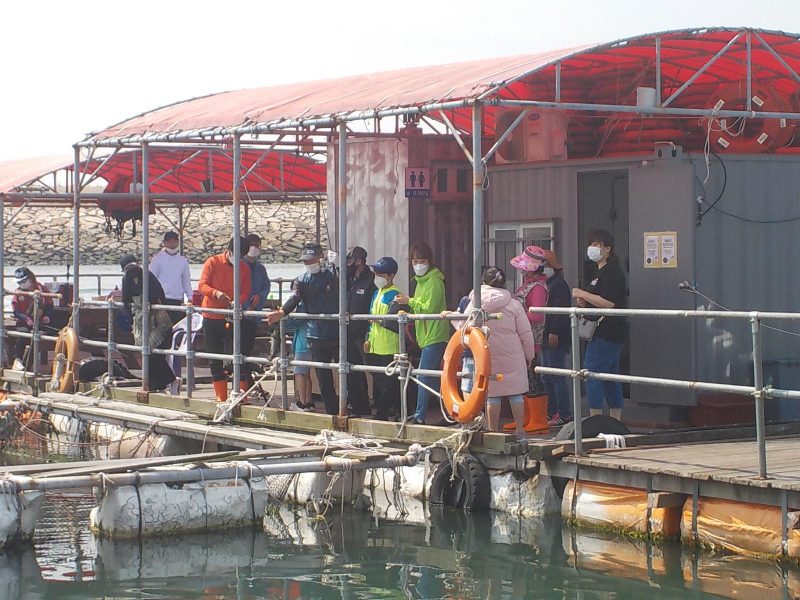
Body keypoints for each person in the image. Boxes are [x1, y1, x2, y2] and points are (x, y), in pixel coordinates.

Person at [447, 267, 534, 438]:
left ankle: (493, 432)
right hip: (513, 353)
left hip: (487, 354)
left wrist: (452, 317)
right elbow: (526, 333)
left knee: (492, 395)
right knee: (515, 393)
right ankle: (520, 430)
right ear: (504, 283)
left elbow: (463, 327)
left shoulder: (475, 303)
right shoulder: (514, 304)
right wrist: (529, 355)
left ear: (483, 282)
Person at [266, 242, 339, 415]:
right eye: (305, 260)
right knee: (323, 378)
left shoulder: (332, 276)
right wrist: (282, 312)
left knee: (347, 371)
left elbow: (345, 284)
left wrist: (338, 266)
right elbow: (294, 298)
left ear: (320, 257)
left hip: (336, 331)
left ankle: (354, 407)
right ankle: (332, 412)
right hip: (315, 333)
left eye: (311, 259)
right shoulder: (301, 280)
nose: (308, 263)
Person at [572, 229, 628, 421]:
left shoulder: (612, 271)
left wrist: (583, 293)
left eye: (596, 245)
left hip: (607, 331)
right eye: (591, 244)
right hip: (603, 331)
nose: (592, 248)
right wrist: (584, 301)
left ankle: (596, 419)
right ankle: (614, 420)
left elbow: (609, 303)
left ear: (607, 249)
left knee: (591, 373)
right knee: (610, 376)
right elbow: (598, 300)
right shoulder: (600, 272)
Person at [395, 242, 449, 424]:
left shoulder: (434, 281)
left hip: (435, 334)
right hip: (426, 335)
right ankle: (450, 412)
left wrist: (409, 301)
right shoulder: (420, 282)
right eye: (415, 261)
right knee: (432, 377)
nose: (418, 265)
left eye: (422, 261)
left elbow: (430, 308)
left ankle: (420, 417)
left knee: (423, 375)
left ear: (430, 261)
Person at [198, 237, 251, 402]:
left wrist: (239, 301)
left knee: (237, 355)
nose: (238, 258)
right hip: (212, 316)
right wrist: (215, 293)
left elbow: (246, 290)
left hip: (232, 316)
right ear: (229, 250)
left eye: (241, 256)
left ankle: (241, 396)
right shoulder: (213, 262)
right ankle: (221, 396)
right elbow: (202, 285)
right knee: (215, 357)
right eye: (237, 254)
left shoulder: (244, 267)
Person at [120, 254, 180, 393]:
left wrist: (151, 303)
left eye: (133, 266)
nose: (132, 270)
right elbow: (126, 301)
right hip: (141, 319)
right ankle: (160, 386)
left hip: (156, 319)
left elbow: (159, 295)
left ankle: (168, 382)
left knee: (154, 354)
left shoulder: (147, 276)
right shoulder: (126, 280)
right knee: (145, 353)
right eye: (128, 269)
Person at [364, 256, 402, 421]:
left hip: (389, 346)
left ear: (391, 275)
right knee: (380, 381)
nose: (377, 276)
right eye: (376, 273)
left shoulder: (395, 294)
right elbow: (371, 317)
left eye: (381, 273)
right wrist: (368, 338)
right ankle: (387, 410)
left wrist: (377, 321)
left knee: (388, 382)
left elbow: (390, 320)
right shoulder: (377, 292)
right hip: (375, 344)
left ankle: (383, 413)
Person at [510, 245, 549, 395]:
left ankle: (534, 410)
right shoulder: (529, 284)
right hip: (522, 338)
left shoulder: (538, 288)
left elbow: (538, 315)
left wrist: (517, 315)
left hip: (530, 341)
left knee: (531, 383)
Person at [541, 250, 573, 427]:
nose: (544, 268)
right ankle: (552, 411)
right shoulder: (548, 283)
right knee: (546, 376)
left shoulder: (558, 284)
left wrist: (554, 332)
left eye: (546, 264)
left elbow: (560, 310)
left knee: (556, 376)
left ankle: (564, 413)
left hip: (555, 336)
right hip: (546, 335)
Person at [345, 246, 376, 417]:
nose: (347, 265)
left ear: (358, 262)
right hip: (349, 332)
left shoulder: (371, 280)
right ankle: (358, 405)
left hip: (365, 332)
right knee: (351, 369)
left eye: (349, 261)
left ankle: (385, 405)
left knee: (374, 369)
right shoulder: (348, 280)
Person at [241, 233, 271, 393]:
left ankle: (248, 384)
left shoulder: (260, 268)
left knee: (248, 350)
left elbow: (266, 286)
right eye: (251, 244)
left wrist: (259, 297)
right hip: (241, 314)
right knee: (241, 351)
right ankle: (247, 384)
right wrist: (247, 306)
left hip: (254, 316)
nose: (254, 248)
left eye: (257, 245)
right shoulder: (240, 265)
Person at [10, 267, 54, 371]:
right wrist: (25, 318)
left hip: (40, 322)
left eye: (23, 281)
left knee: (40, 336)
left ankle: (28, 364)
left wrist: (47, 316)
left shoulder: (42, 289)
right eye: (19, 282)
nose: (21, 284)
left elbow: (49, 305)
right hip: (24, 323)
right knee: (23, 333)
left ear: (30, 279)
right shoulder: (18, 293)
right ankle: (17, 359)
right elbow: (16, 311)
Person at [149, 231, 192, 324]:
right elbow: (151, 279)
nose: (172, 243)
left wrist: (190, 296)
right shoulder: (157, 259)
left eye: (174, 241)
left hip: (177, 299)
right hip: (162, 299)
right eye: (169, 241)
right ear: (165, 243)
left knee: (177, 326)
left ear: (177, 242)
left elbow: (186, 280)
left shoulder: (183, 261)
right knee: (164, 327)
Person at [286, 278, 314, 411]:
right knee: (306, 372)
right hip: (308, 339)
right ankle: (309, 400)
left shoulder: (302, 304)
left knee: (299, 372)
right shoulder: (310, 301)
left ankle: (303, 402)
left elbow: (295, 322)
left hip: (303, 341)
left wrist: (285, 316)